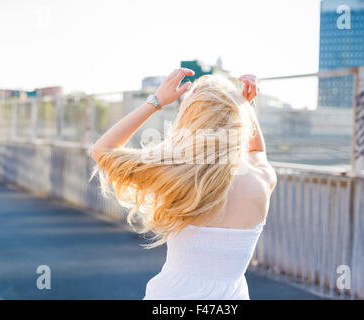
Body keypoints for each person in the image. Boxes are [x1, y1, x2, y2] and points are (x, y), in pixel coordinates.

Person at [90, 67, 277, 299]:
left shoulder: (175, 173)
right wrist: (246, 106)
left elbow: (103, 150)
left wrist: (156, 101)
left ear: (190, 119)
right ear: (239, 121)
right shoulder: (261, 177)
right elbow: (256, 149)